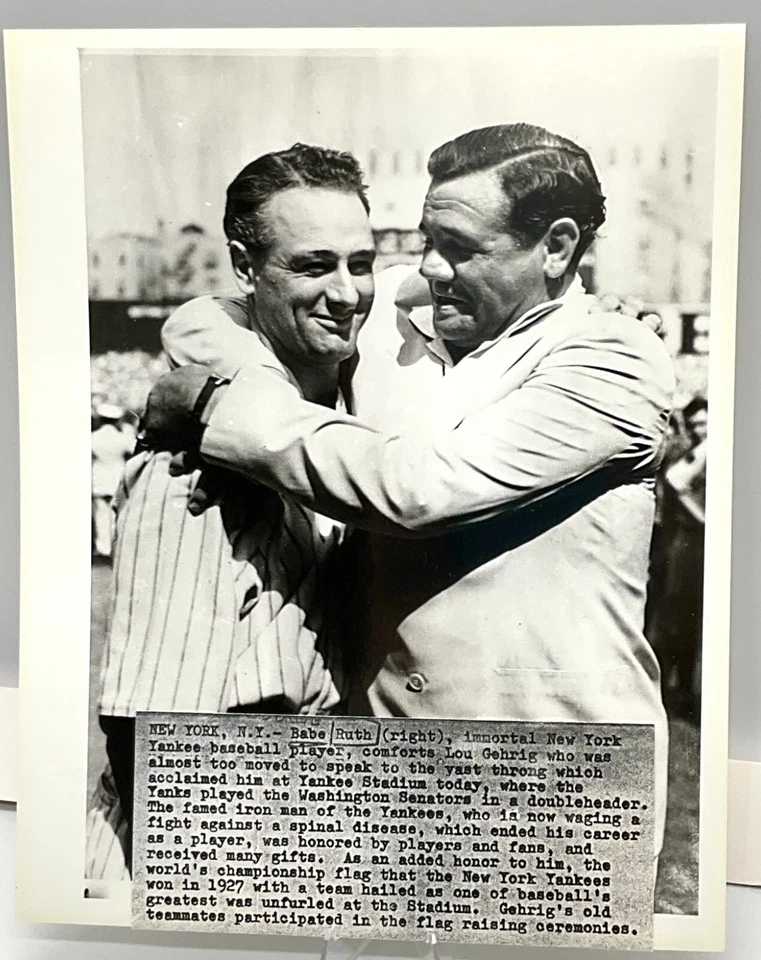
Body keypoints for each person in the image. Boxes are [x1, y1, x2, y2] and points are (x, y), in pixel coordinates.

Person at [145, 123, 675, 863]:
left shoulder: (614, 359)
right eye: (425, 239)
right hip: (387, 775)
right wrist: (228, 387)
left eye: (459, 247)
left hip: (552, 789)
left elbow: (416, 489)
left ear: (555, 248)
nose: (428, 266)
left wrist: (215, 410)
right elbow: (211, 318)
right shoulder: (401, 309)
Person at [86, 143, 377, 879]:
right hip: (198, 868)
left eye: (360, 263)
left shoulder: (340, 420)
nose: (346, 293)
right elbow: (149, 737)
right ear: (246, 268)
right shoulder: (192, 470)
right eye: (313, 266)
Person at [91, 403, 133, 558]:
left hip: (99, 477)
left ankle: (103, 547)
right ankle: (116, 544)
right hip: (117, 476)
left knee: (100, 513)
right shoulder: (122, 438)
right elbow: (132, 451)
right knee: (116, 513)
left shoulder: (93, 437)